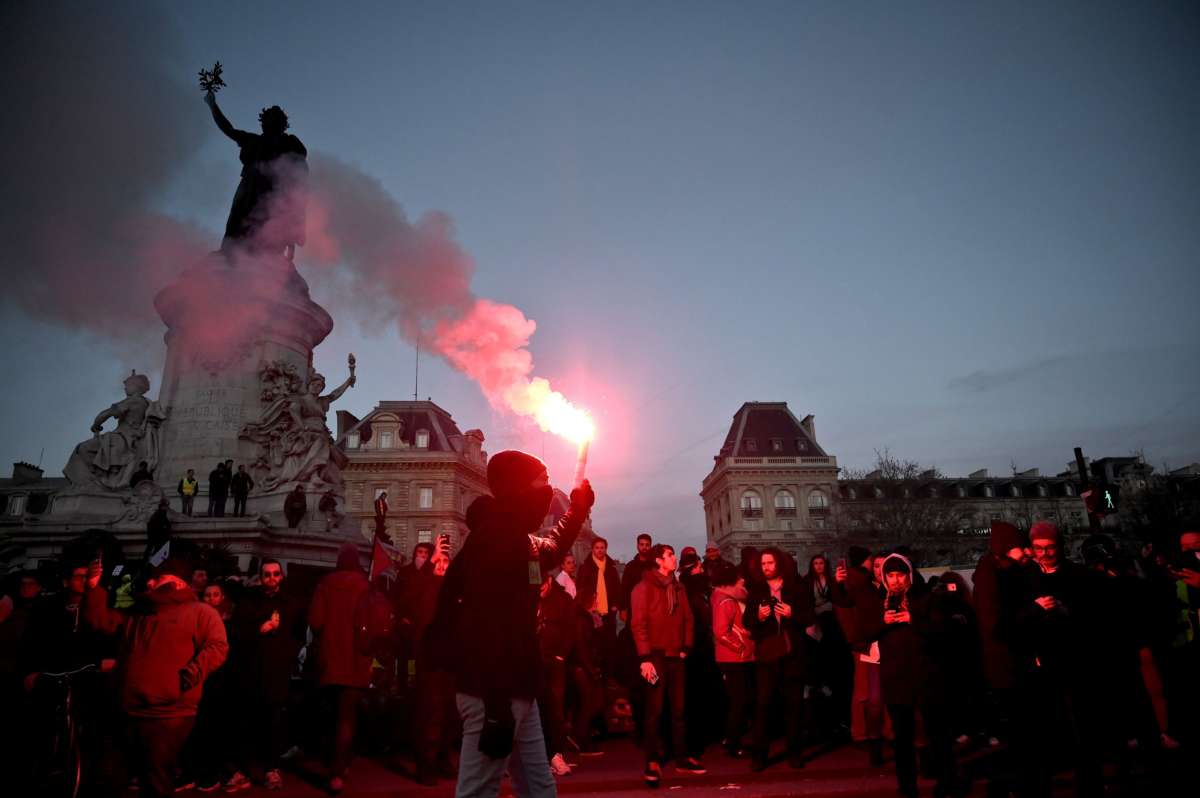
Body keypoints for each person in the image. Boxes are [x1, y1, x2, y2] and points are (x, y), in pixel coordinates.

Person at [431, 449, 593, 798]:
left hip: (518, 685)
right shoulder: (495, 540)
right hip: (492, 689)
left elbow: (550, 547)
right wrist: (496, 701)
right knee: (479, 789)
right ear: (520, 488)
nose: (548, 490)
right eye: (542, 481)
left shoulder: (516, 537)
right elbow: (484, 622)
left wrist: (578, 509)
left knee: (539, 787)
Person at [82, 556, 228, 798]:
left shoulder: (200, 612)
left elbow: (217, 647)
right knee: (109, 778)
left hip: (168, 715)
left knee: (155, 782)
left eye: (158, 578)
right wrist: (93, 589)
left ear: (178, 583)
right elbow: (102, 623)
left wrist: (186, 678)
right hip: (127, 710)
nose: (150, 583)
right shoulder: (139, 613)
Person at [875, 553, 960, 798]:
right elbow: (862, 632)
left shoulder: (927, 598)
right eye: (890, 575)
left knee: (938, 734)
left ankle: (948, 783)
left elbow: (942, 631)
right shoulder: (880, 600)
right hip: (896, 679)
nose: (895, 581)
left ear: (909, 574)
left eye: (900, 574)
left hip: (927, 676)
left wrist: (913, 619)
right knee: (902, 739)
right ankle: (907, 786)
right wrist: (883, 621)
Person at [228, 560, 306, 791]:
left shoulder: (291, 604)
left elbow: (299, 635)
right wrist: (257, 630)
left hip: (276, 671)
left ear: (281, 577)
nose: (271, 578)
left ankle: (272, 769)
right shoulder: (248, 602)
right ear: (260, 577)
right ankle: (243, 769)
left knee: (274, 722)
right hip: (250, 670)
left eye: (275, 574)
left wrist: (287, 654)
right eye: (267, 574)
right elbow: (237, 632)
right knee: (247, 722)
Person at [204, 89, 307, 259]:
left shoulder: (291, 145)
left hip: (273, 194)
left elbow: (299, 185)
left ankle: (262, 261)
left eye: (277, 118)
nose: (273, 122)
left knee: (269, 229)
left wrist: (294, 231)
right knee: (237, 225)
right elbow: (228, 129)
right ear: (264, 122)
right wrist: (213, 105)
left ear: (283, 124)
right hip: (249, 189)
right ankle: (230, 256)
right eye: (270, 118)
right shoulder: (253, 140)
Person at [631, 544, 703, 786]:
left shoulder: (678, 587)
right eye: (670, 555)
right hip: (655, 657)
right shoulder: (643, 588)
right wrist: (644, 659)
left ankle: (681, 757)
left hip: (676, 656)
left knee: (680, 710)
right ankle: (652, 760)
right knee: (655, 711)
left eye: (673, 555)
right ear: (659, 561)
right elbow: (638, 624)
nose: (674, 559)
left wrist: (686, 647)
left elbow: (688, 618)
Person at [308, 543, 372, 794]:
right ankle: (338, 772)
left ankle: (331, 760)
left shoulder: (325, 584)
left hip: (330, 659)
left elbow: (315, 621)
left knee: (330, 714)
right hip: (356, 661)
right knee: (347, 718)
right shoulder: (365, 586)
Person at [743, 547, 814, 772]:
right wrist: (758, 615)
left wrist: (793, 614)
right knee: (763, 705)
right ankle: (760, 755)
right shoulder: (756, 590)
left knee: (793, 705)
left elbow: (810, 616)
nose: (766, 567)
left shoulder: (796, 586)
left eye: (770, 563)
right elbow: (747, 621)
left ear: (779, 564)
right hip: (767, 656)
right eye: (763, 564)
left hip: (793, 654)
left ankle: (794, 753)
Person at [403, 549, 458, 785]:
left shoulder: (453, 591)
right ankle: (426, 765)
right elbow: (414, 602)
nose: (442, 566)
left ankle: (444, 759)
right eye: (439, 561)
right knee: (432, 714)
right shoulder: (425, 585)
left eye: (446, 562)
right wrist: (429, 567)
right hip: (430, 659)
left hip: (451, 661)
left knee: (450, 714)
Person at [833, 546, 887, 766]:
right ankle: (869, 737)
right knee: (869, 693)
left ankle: (881, 734)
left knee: (879, 692)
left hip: (883, 644)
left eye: (882, 565)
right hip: (867, 645)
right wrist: (837, 584)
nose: (878, 569)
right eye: (875, 564)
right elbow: (844, 603)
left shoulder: (886, 586)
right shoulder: (862, 587)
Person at [711, 563, 754, 758]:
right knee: (739, 700)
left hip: (730, 657)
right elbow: (721, 632)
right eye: (739, 579)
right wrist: (741, 646)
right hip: (734, 658)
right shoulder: (726, 601)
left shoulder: (719, 597)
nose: (743, 582)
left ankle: (731, 738)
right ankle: (732, 741)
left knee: (737, 700)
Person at [576, 536, 621, 677]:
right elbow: (581, 589)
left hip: (608, 612)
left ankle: (610, 676)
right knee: (595, 645)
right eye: (597, 548)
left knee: (610, 645)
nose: (600, 550)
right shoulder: (585, 568)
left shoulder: (611, 568)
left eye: (602, 548)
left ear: (606, 549)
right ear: (592, 549)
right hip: (592, 613)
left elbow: (617, 589)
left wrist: (615, 605)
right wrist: (587, 608)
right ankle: (596, 674)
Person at [619, 533, 655, 624]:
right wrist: (623, 609)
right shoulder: (630, 566)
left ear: (650, 546)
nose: (644, 547)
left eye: (647, 545)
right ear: (637, 546)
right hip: (634, 608)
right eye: (642, 544)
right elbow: (624, 589)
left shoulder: (655, 566)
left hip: (653, 607)